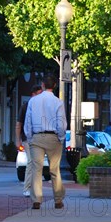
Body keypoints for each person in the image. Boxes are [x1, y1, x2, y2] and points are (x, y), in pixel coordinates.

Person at [23, 75, 67, 210]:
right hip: (53, 137)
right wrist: (60, 137)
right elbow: (61, 123)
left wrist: (30, 137)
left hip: (36, 137)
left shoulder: (33, 101)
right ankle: (58, 200)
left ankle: (36, 200)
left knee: (37, 169)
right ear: (54, 86)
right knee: (55, 169)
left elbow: (28, 121)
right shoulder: (58, 102)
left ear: (42, 85)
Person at [15, 84, 43, 196]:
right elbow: (18, 124)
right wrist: (18, 140)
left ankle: (34, 188)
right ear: (33, 94)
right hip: (28, 139)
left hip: (40, 138)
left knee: (37, 163)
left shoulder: (42, 107)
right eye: (39, 94)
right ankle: (27, 188)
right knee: (31, 162)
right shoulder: (25, 107)